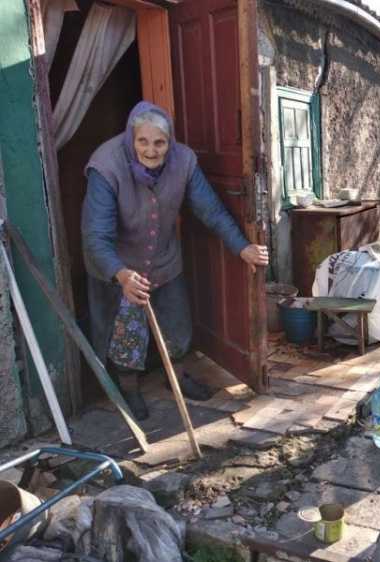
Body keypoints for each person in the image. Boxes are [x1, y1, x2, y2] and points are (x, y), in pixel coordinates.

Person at [82, 101, 268, 421]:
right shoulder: (107, 165)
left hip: (164, 258)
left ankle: (177, 378)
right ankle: (129, 388)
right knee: (127, 332)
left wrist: (241, 247)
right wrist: (121, 275)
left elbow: (209, 208)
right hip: (119, 265)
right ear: (131, 138)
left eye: (160, 142)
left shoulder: (183, 160)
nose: (151, 151)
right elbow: (95, 235)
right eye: (143, 141)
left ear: (170, 142)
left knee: (177, 322)